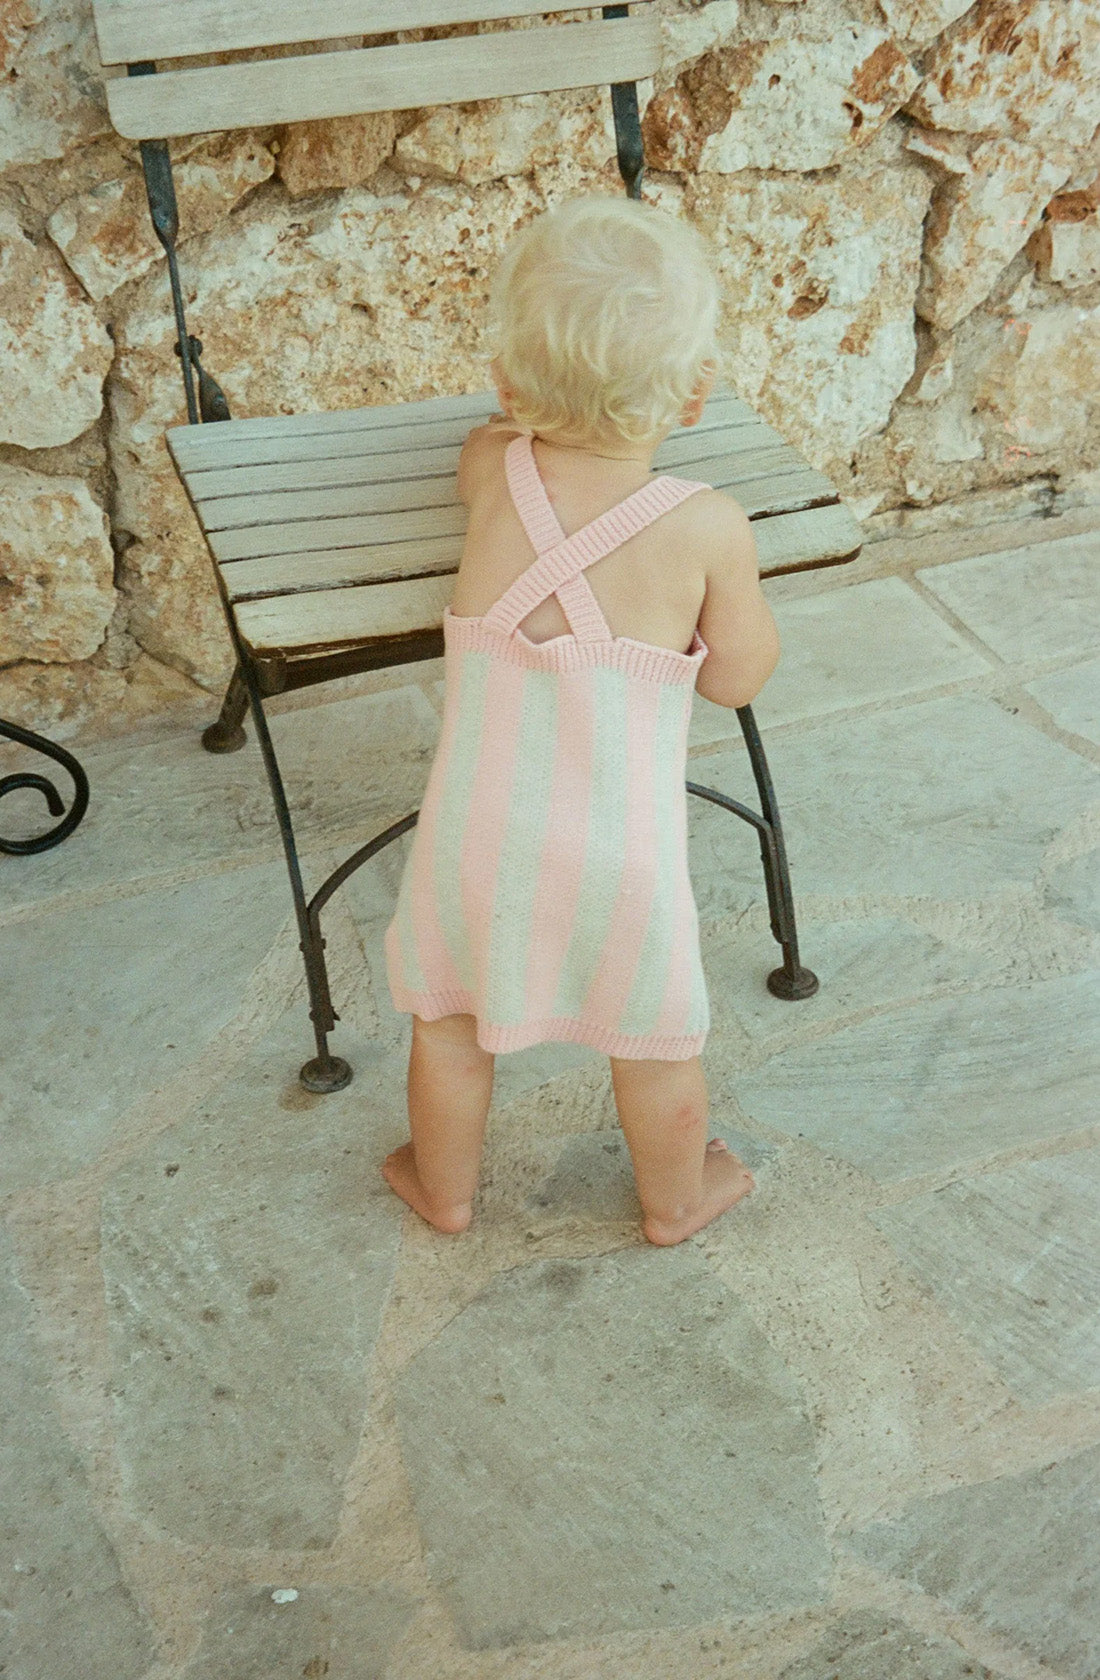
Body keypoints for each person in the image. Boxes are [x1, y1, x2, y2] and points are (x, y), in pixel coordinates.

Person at [381, 196, 780, 1245]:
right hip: (622, 856)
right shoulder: (706, 526)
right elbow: (735, 679)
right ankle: (673, 1198)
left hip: (474, 837)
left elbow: (484, 444)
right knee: (652, 1037)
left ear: (508, 384)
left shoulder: (490, 474)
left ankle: (445, 1189)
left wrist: (512, 421)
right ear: (692, 395)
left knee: (451, 1023)